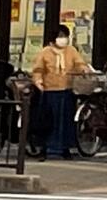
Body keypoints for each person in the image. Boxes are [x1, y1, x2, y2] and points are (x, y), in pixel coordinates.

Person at [30, 26, 89, 159]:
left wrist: (84, 69)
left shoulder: (71, 51)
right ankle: (44, 148)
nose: (63, 39)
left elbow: (80, 63)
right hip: (49, 91)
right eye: (60, 35)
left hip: (66, 90)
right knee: (47, 121)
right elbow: (38, 69)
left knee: (66, 121)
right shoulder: (45, 52)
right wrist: (38, 81)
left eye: (65, 35)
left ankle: (65, 149)